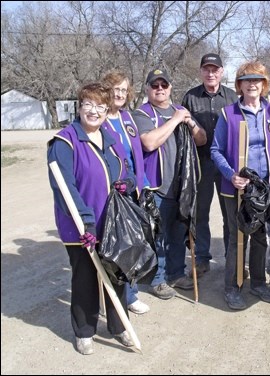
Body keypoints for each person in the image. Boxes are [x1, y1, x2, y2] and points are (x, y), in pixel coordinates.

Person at [47, 82, 136, 355]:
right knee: (85, 277)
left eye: (100, 106)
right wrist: (85, 222)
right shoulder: (64, 141)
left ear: (107, 109)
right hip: (80, 226)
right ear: (80, 106)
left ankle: (120, 326)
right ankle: (85, 331)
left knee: (116, 274)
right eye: (89, 104)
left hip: (112, 223)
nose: (94, 111)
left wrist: (127, 184)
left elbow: (126, 169)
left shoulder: (110, 139)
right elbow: (65, 188)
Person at [211, 61, 270, 310]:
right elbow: (215, 150)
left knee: (261, 237)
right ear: (239, 85)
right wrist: (231, 175)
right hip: (237, 188)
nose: (253, 84)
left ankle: (259, 283)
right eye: (247, 80)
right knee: (236, 238)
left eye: (258, 80)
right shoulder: (228, 114)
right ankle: (232, 287)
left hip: (264, 188)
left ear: (264, 84)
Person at [132, 68, 207, 300]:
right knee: (158, 236)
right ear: (147, 89)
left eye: (164, 85)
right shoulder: (142, 114)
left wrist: (190, 123)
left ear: (170, 88)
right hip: (157, 187)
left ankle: (176, 273)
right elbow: (149, 143)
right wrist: (176, 120)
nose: (160, 89)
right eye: (155, 85)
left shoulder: (180, 111)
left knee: (178, 232)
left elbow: (202, 139)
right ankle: (158, 279)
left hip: (182, 185)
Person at [181, 53, 238, 277]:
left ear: (222, 72)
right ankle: (202, 258)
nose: (211, 73)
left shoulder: (233, 97)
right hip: (201, 163)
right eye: (207, 69)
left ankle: (231, 257)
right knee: (200, 213)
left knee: (229, 213)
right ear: (201, 71)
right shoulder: (190, 98)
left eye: (215, 69)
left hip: (226, 165)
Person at [101, 70, 151, 315]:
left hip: (134, 190)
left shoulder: (127, 118)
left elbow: (136, 155)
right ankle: (115, 298)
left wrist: (144, 183)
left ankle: (130, 295)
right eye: (115, 89)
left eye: (123, 90)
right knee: (116, 246)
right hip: (113, 194)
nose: (119, 94)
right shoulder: (100, 120)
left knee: (133, 244)